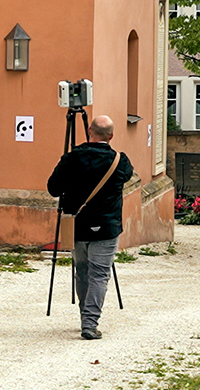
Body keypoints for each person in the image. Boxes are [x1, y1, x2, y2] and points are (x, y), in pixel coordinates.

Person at [45, 115, 134, 340]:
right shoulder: (120, 161)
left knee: (82, 271)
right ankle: (89, 323)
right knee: (100, 274)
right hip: (107, 227)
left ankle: (85, 317)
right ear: (111, 136)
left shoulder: (72, 158)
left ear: (88, 130)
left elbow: (53, 189)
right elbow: (127, 177)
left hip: (76, 225)